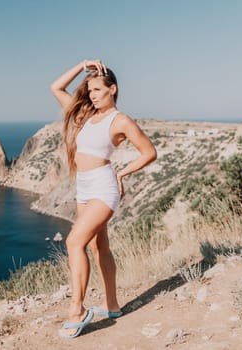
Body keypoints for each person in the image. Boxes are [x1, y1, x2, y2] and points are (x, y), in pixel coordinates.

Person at [50, 59, 157, 338]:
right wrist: (81, 65)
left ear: (113, 89)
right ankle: (112, 305)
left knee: (74, 241)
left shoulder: (120, 120)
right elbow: (56, 87)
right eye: (90, 90)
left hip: (103, 186)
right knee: (99, 247)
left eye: (97, 89)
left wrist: (122, 174)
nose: (92, 95)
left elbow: (148, 152)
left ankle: (77, 310)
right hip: (83, 187)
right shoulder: (85, 115)